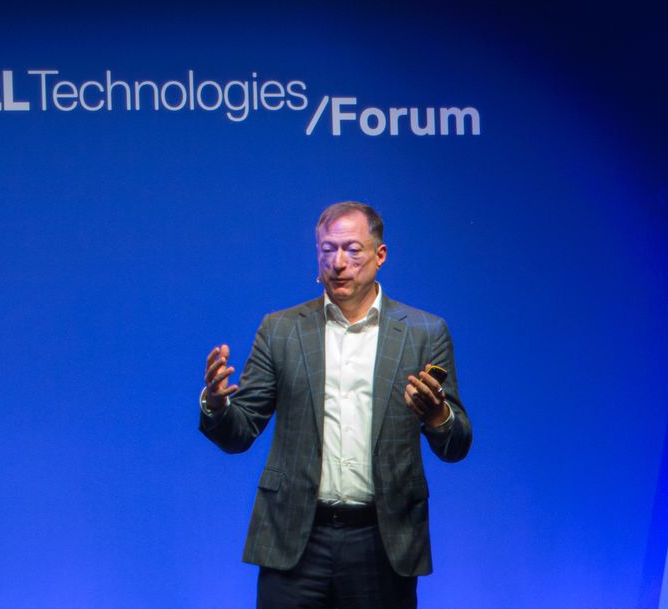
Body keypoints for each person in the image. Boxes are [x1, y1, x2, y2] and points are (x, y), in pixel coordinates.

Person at [199, 201, 472, 609]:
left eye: (351, 249)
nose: (338, 262)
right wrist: (217, 405)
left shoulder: (423, 333)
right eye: (327, 250)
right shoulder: (281, 330)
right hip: (294, 536)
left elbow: (457, 445)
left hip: (382, 539)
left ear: (379, 256)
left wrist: (437, 416)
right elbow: (240, 434)